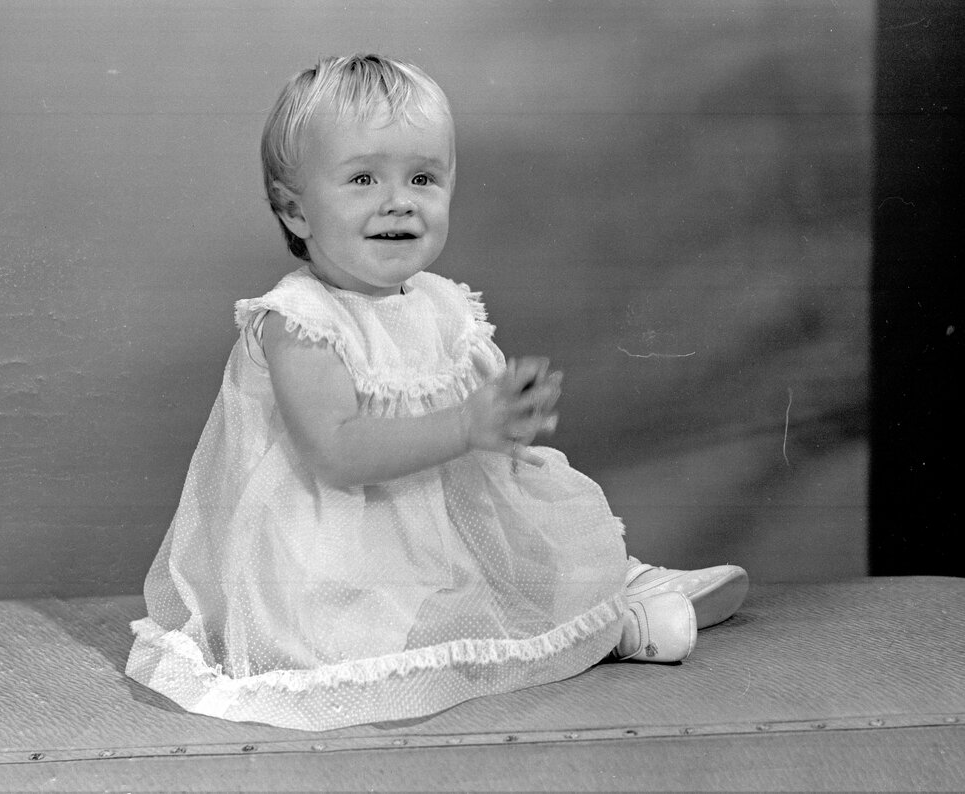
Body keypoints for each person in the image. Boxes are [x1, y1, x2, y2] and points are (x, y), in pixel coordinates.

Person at [125, 54, 748, 732]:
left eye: (422, 178)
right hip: (338, 554)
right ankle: (611, 625)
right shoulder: (301, 323)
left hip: (443, 523)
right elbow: (337, 453)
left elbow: (477, 439)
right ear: (295, 210)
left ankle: (607, 587)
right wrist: (464, 425)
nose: (400, 200)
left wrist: (504, 418)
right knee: (379, 637)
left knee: (530, 553)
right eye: (363, 179)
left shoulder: (444, 303)